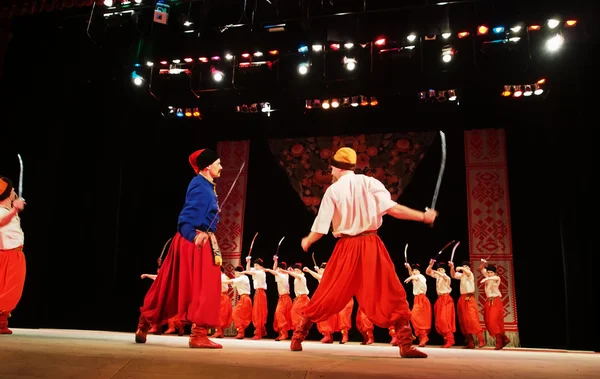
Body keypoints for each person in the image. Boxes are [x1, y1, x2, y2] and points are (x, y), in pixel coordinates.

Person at [292, 147, 437, 358]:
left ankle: (297, 337)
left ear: (337, 167)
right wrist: (423, 216)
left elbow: (320, 226)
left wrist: (308, 240)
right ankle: (405, 344)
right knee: (391, 291)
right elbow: (394, 209)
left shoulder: (333, 190)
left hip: (347, 247)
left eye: (332, 166)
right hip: (370, 243)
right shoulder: (371, 183)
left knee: (327, 292)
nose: (330, 170)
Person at [135, 149, 224, 349]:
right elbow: (185, 218)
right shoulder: (200, 186)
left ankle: (145, 321)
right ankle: (198, 335)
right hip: (194, 240)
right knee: (206, 287)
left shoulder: (206, 186)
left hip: (198, 239)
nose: (221, 167)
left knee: (169, 284)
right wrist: (194, 236)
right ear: (208, 166)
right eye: (218, 163)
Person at [0, 177, 26, 335]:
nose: (15, 193)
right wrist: (15, 210)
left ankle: (2, 321)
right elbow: (1, 222)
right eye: (13, 191)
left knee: (7, 288)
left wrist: (15, 210)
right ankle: (1, 322)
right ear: (8, 194)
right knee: (9, 289)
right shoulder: (3, 211)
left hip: (11, 254)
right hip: (8, 255)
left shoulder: (7, 211)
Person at [448, 261, 485, 348]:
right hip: (462, 298)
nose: (465, 268)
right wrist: (452, 267)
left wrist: (461, 268)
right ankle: (470, 342)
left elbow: (467, 272)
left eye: (466, 266)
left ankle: (481, 339)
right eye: (463, 266)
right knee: (463, 321)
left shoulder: (470, 274)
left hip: (469, 298)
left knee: (472, 319)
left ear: (469, 268)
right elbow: (453, 275)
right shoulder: (462, 276)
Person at [479, 260, 510, 350]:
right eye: (488, 272)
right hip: (488, 301)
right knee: (488, 322)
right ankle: (504, 338)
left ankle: (499, 342)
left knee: (494, 322)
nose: (489, 274)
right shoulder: (488, 276)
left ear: (494, 273)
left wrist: (486, 278)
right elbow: (481, 268)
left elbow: (494, 278)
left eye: (491, 272)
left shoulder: (497, 278)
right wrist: (483, 263)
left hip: (495, 301)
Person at [426, 260, 456, 348]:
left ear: (444, 271)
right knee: (439, 320)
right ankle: (446, 339)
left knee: (444, 319)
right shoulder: (438, 277)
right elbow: (427, 272)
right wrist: (430, 265)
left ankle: (451, 339)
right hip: (440, 299)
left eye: (441, 270)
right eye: (438, 269)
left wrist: (437, 272)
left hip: (446, 298)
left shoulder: (447, 277)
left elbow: (443, 276)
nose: (439, 271)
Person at [264, 256, 293, 341]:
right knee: (279, 315)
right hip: (281, 298)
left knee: (279, 313)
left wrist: (268, 270)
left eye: (279, 268)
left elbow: (274, 271)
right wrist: (275, 261)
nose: (277, 269)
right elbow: (275, 269)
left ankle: (284, 332)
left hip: (285, 298)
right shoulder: (282, 274)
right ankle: (281, 333)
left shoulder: (283, 276)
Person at [403, 262, 432, 347]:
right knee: (416, 318)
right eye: (414, 270)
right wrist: (409, 268)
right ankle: (422, 337)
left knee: (416, 316)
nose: (414, 271)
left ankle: (424, 336)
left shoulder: (421, 276)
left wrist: (410, 277)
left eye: (416, 270)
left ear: (419, 271)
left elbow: (415, 277)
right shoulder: (415, 278)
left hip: (422, 299)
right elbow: (412, 276)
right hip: (417, 299)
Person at [222, 265, 253, 339]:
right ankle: (240, 332)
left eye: (235, 273)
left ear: (238, 272)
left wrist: (218, 280)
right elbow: (232, 283)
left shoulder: (242, 278)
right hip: (244, 298)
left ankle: (240, 331)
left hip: (244, 298)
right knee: (240, 315)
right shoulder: (243, 278)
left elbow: (230, 281)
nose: (234, 275)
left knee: (235, 314)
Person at [243, 257, 268, 339]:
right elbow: (249, 269)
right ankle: (262, 330)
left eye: (257, 265)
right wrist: (248, 262)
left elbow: (249, 271)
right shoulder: (257, 271)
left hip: (260, 293)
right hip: (257, 293)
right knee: (257, 311)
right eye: (255, 265)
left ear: (261, 266)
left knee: (259, 312)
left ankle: (258, 333)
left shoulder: (260, 272)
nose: (256, 267)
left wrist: (242, 272)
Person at [286, 263, 310, 329]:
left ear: (300, 271)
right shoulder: (296, 278)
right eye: (295, 270)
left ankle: (299, 328)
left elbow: (296, 275)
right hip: (299, 298)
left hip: (303, 298)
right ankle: (298, 329)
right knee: (296, 313)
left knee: (295, 312)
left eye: (297, 270)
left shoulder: (302, 277)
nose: (296, 271)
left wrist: (287, 271)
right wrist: (290, 271)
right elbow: (294, 274)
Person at [213, 266, 233, 338]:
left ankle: (219, 331)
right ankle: (220, 332)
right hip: (223, 296)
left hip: (221, 296)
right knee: (222, 314)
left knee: (220, 314)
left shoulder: (221, 277)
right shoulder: (224, 276)